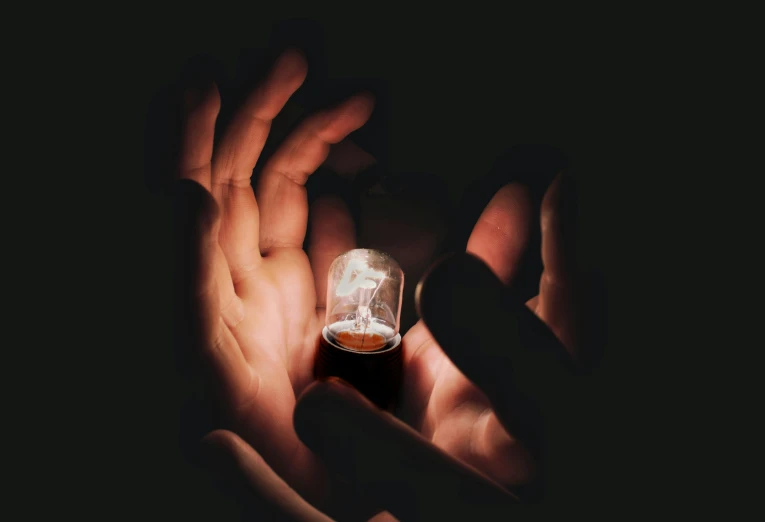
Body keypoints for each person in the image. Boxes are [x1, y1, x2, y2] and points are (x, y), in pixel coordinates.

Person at [172, 48, 601, 521]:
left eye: (389, 185)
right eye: (323, 188)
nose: (340, 220)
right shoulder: (234, 381)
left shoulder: (499, 430)